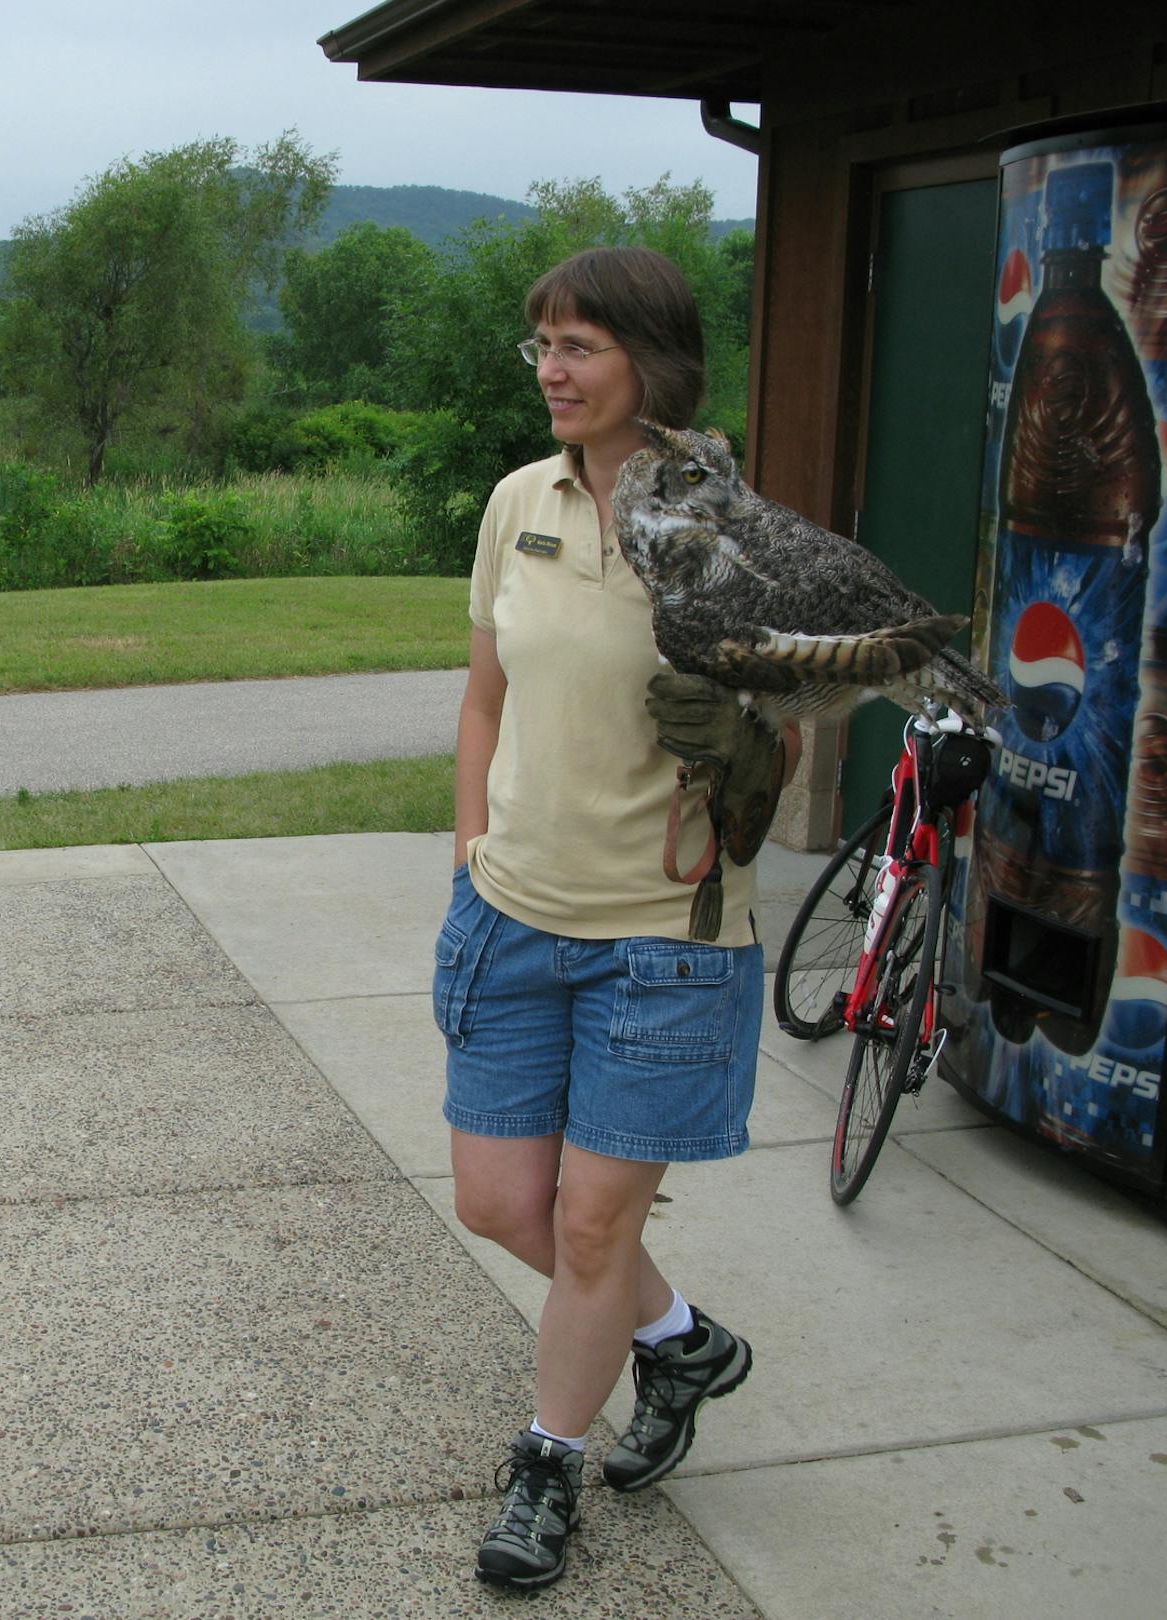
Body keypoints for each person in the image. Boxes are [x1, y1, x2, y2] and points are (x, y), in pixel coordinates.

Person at [435, 244, 797, 1592]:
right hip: (514, 914)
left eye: (580, 344)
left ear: (655, 361)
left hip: (666, 931)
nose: (552, 369)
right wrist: (470, 842)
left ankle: (547, 1466)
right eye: (543, 343)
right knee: (496, 1200)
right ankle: (686, 1339)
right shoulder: (517, 499)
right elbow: (484, 695)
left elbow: (782, 756)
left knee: (590, 1225)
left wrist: (753, 735)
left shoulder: (726, 529)